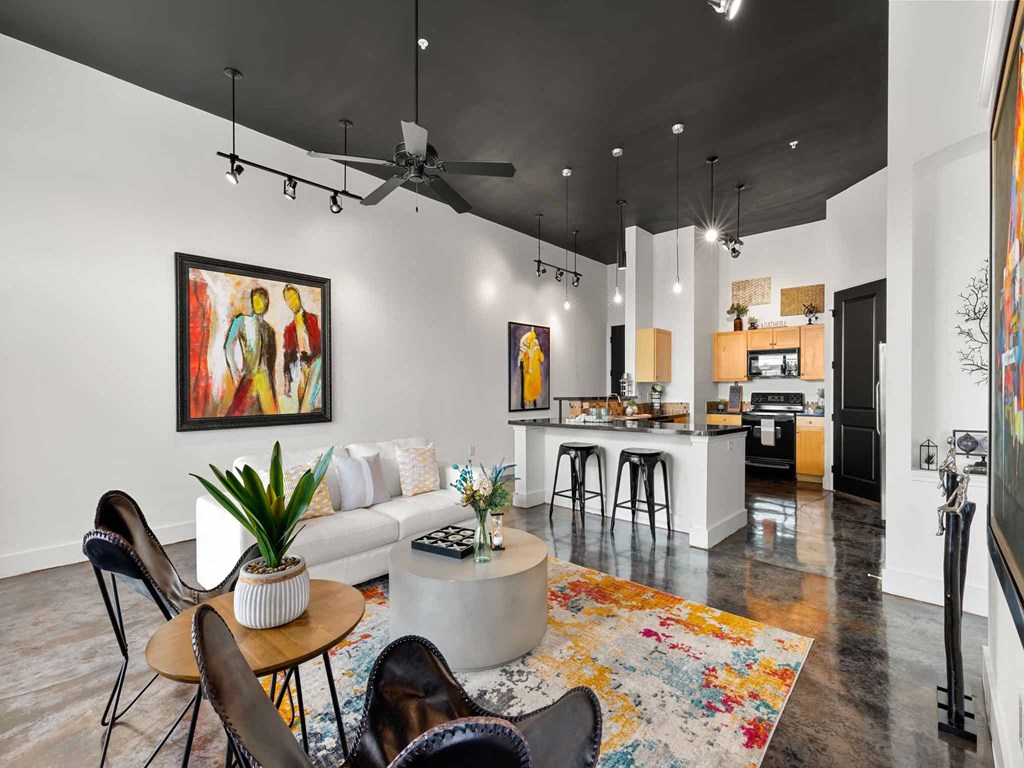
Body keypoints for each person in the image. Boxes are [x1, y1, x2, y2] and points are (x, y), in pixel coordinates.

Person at [224, 286, 278, 416]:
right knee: (237, 415)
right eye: (256, 300)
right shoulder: (241, 321)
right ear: (252, 302)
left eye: (262, 300)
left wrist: (271, 385)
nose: (259, 303)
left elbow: (271, 362)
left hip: (265, 381)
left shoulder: (269, 330)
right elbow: (228, 347)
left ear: (266, 304)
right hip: (249, 377)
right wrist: (235, 372)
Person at [282, 284, 322, 412]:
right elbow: (287, 358)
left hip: (317, 362)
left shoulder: (314, 319)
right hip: (301, 366)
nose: (292, 301)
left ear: (298, 297)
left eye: (293, 297)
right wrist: (287, 382)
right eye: (288, 299)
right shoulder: (289, 329)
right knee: (302, 396)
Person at [518, 327, 545, 408]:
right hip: (535, 376)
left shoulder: (524, 347)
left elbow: (520, 361)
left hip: (528, 375)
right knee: (533, 393)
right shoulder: (537, 347)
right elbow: (542, 359)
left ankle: (527, 405)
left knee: (527, 396)